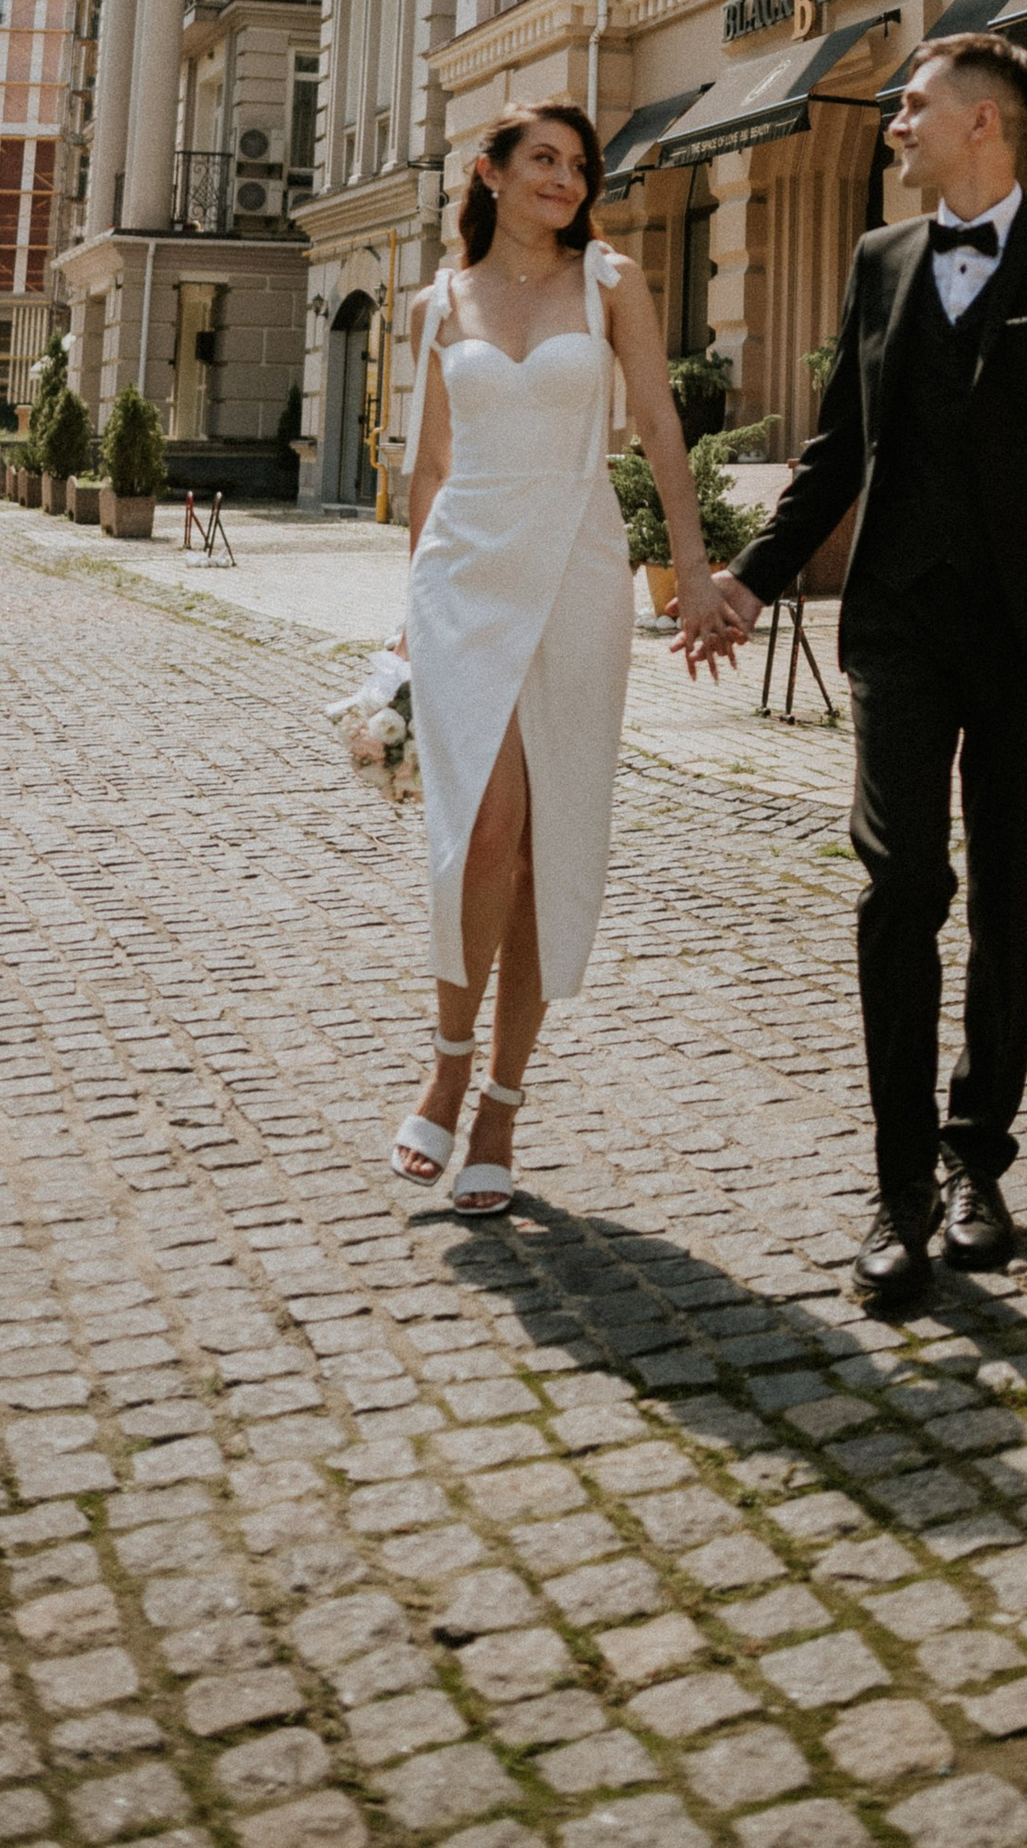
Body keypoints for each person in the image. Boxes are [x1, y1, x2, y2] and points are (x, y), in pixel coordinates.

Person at [719, 32, 1027, 1304]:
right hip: (903, 634)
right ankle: (900, 1187)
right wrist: (748, 583)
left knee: (1013, 900)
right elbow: (835, 454)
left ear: (988, 123)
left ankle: (981, 1160)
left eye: (912, 106)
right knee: (899, 887)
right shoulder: (877, 264)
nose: (894, 124)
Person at [391, 100, 728, 1216]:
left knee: (546, 842)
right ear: (487, 174)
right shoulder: (437, 305)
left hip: (579, 566)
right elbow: (429, 466)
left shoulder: (612, 284)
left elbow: (660, 424)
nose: (566, 181)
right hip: (463, 577)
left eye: (579, 166)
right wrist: (407, 614)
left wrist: (689, 568)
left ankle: (500, 1102)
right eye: (542, 160)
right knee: (479, 832)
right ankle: (444, 1062)